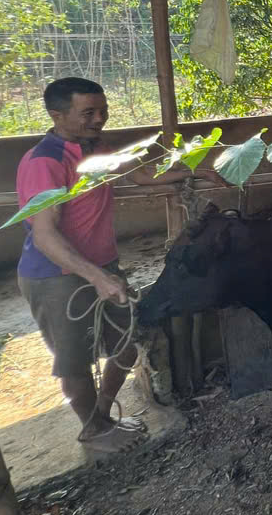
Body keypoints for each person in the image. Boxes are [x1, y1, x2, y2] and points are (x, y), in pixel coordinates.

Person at [16, 77, 222, 454]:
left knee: (126, 345)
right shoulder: (44, 162)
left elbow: (139, 176)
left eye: (102, 110)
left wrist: (194, 172)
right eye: (88, 113)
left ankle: (102, 415)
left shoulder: (95, 147)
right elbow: (45, 235)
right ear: (56, 115)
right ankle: (94, 429)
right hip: (56, 275)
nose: (99, 119)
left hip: (102, 266)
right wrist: (96, 277)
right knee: (74, 362)